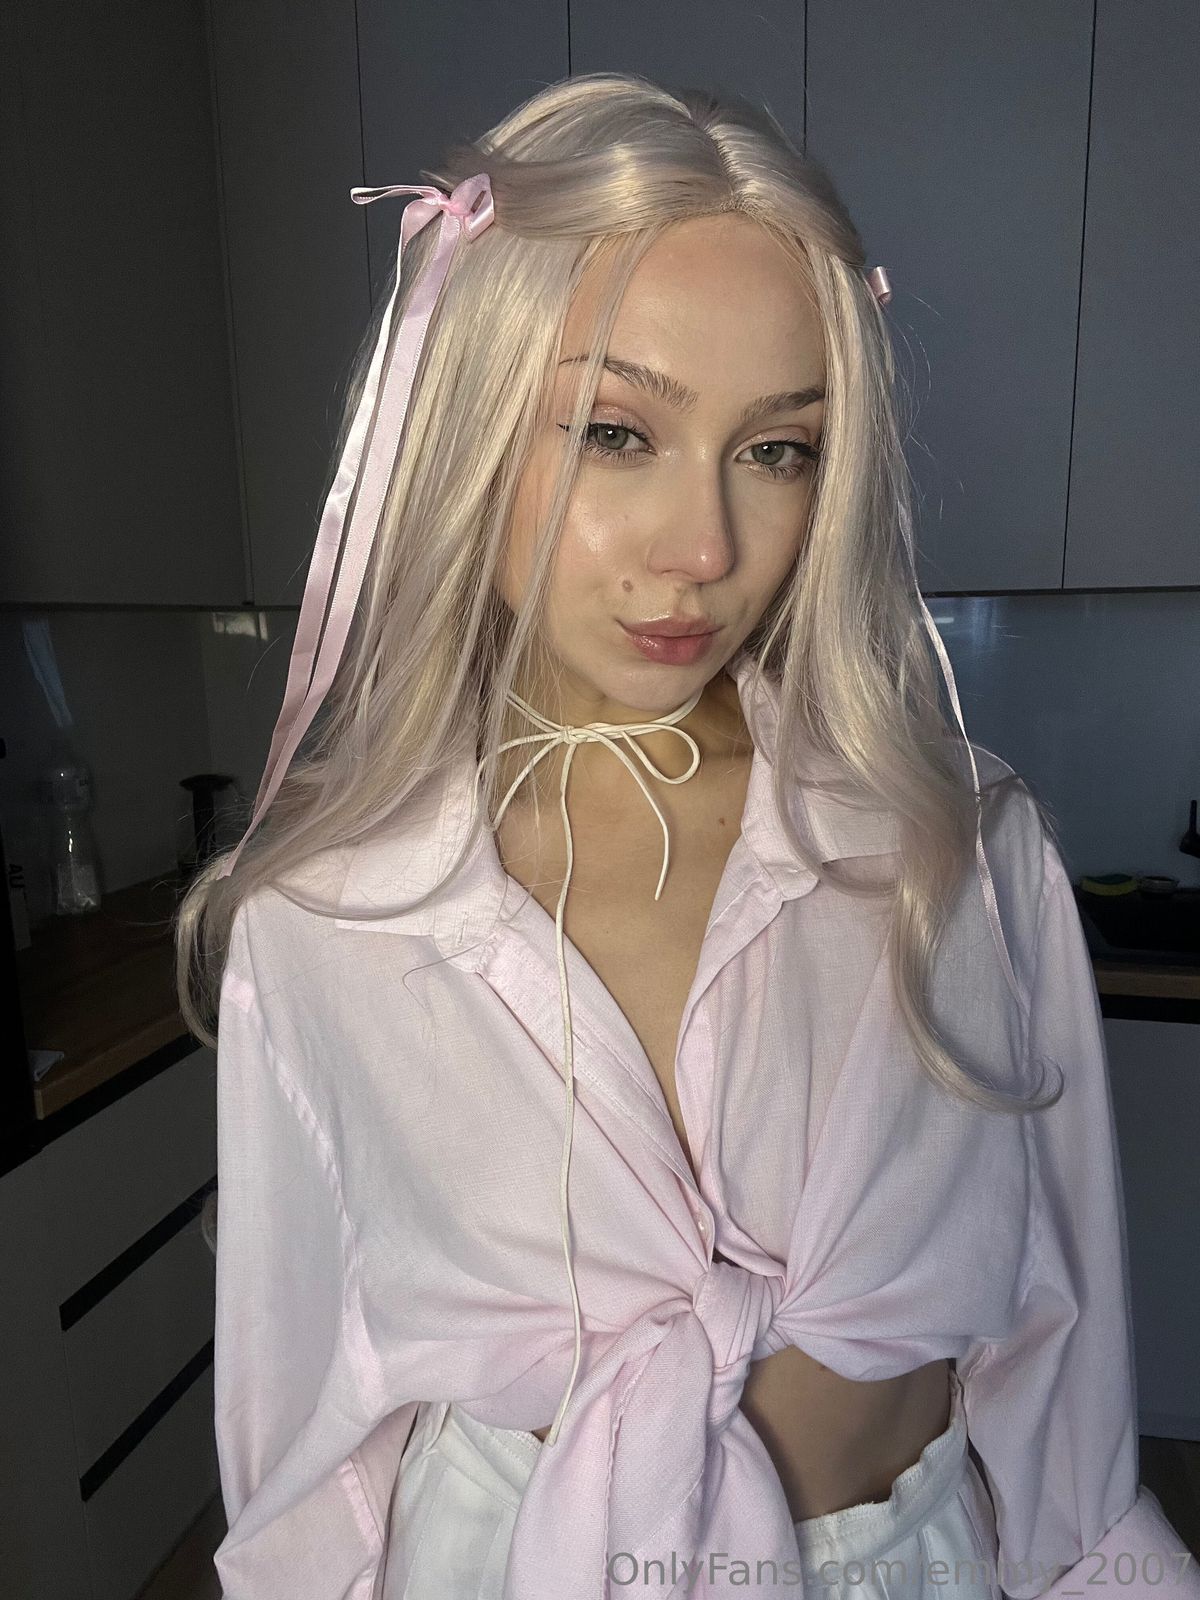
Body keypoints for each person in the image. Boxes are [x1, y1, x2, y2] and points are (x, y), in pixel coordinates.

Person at [176, 72, 1196, 1600]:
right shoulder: (331, 918)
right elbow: (307, 1446)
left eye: (779, 450)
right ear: (468, 429)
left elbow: (1061, 1344)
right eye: (615, 431)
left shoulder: (956, 854)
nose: (704, 548)